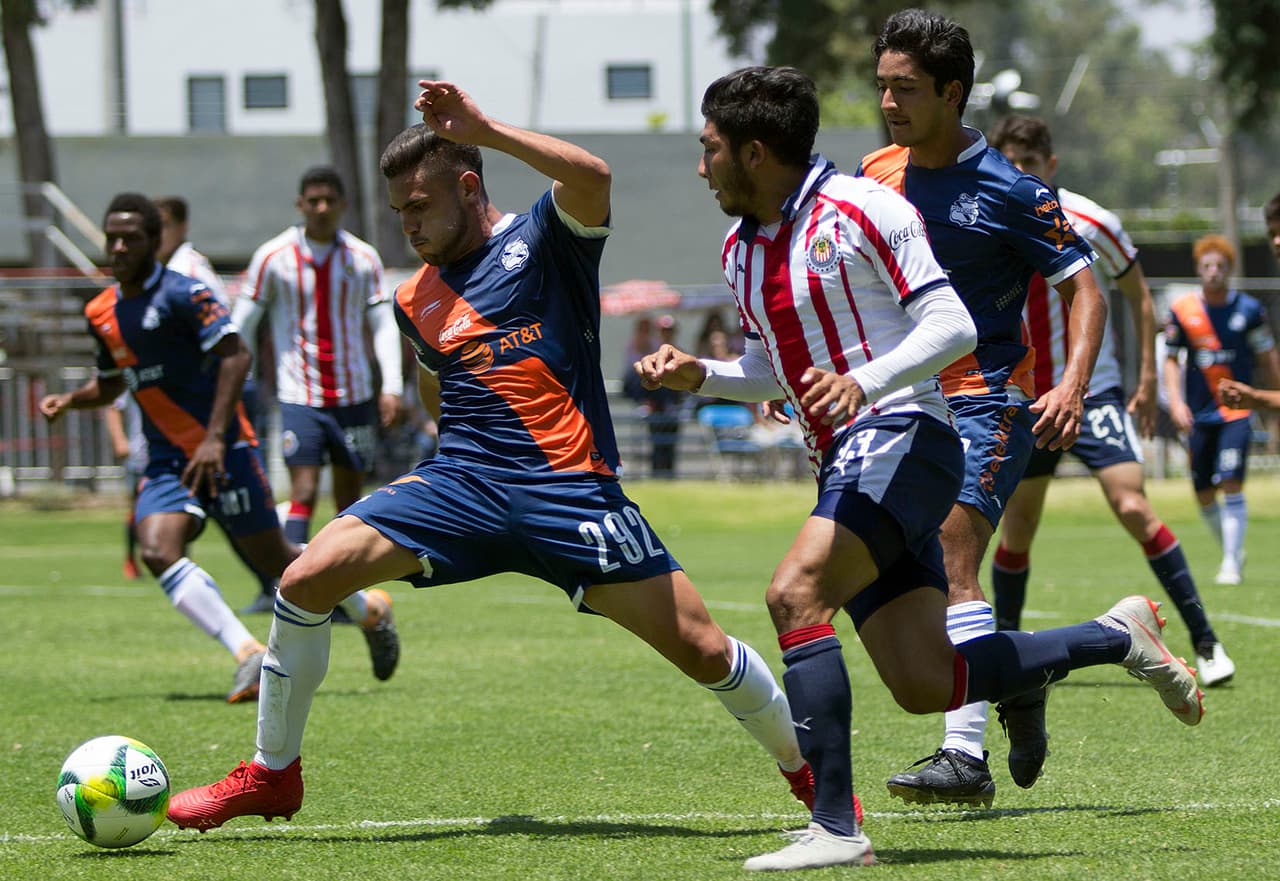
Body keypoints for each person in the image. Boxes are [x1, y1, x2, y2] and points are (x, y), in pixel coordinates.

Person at [166, 81, 835, 835]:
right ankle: (272, 774)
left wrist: (484, 128)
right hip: (461, 486)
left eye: (420, 206)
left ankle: (809, 775)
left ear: (468, 186)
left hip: (570, 491)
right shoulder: (414, 299)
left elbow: (594, 176)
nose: (408, 225)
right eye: (399, 211)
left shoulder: (546, 237)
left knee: (703, 647)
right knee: (305, 577)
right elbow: (435, 384)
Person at [634, 65, 1201, 871]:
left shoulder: (865, 206)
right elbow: (770, 368)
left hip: (907, 433)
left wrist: (861, 383)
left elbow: (953, 323)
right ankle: (1114, 636)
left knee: (794, 593)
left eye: (710, 148)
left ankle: (835, 825)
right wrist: (701, 374)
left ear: (754, 152)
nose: (701, 167)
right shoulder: (741, 249)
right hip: (846, 456)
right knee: (925, 680)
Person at [855, 9, 1109, 806]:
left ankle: (964, 756)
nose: (888, 102)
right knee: (908, 566)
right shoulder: (874, 172)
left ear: (952, 92)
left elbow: (1085, 288)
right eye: (882, 85)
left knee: (953, 550)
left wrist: (1071, 384)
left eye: (905, 88)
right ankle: (1019, 674)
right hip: (903, 402)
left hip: (987, 397)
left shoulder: (1010, 188)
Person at [986, 115, 1235, 688]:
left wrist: (1146, 379)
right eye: (1010, 162)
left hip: (1093, 390)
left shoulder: (1091, 219)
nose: (1020, 172)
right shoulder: (988, 217)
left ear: (1051, 165)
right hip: (1027, 396)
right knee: (1018, 528)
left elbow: (1138, 297)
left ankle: (1206, 642)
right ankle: (1007, 659)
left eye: (1030, 163)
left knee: (1133, 505)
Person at [40, 193, 280, 703]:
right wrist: (71, 400)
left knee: (278, 560)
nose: (118, 247)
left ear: (154, 241)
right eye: (112, 238)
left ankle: (369, 608)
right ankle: (247, 652)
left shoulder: (185, 294)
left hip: (224, 448)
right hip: (169, 459)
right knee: (156, 550)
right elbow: (112, 382)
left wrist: (214, 437)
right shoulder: (100, 311)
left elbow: (236, 356)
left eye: (131, 238)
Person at [231, 167, 404, 561]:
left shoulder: (363, 257)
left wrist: (391, 386)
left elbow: (383, 324)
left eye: (329, 201)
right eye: (314, 201)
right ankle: (289, 578)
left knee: (350, 496)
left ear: (343, 205)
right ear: (300, 205)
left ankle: (342, 581)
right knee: (304, 490)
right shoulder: (273, 257)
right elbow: (243, 324)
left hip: (354, 394)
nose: (322, 208)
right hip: (299, 395)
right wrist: (235, 380)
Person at [154, 194, 279, 612]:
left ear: (181, 227)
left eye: (161, 225)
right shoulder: (163, 274)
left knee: (242, 509)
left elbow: (226, 344)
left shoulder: (190, 273)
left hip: (217, 403)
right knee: (225, 509)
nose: (154, 235)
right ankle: (273, 584)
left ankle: (324, 589)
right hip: (193, 407)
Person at [1163, 234, 1280, 585]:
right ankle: (1232, 550)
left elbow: (1267, 357)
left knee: (1230, 480)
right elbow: (1171, 360)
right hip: (1199, 413)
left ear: (1230, 269)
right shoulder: (1183, 310)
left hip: (1236, 412)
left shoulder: (1249, 310)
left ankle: (1230, 561)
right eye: (1207, 266)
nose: (1213, 272)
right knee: (1202, 492)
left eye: (1220, 266)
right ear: (1198, 269)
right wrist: (1176, 402)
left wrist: (1273, 399)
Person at [102, 392, 146, 580]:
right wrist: (119, 440)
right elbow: (113, 406)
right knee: (137, 510)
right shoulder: (132, 378)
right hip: (141, 458)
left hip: (174, 455)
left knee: (180, 509)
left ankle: (182, 559)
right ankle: (131, 558)